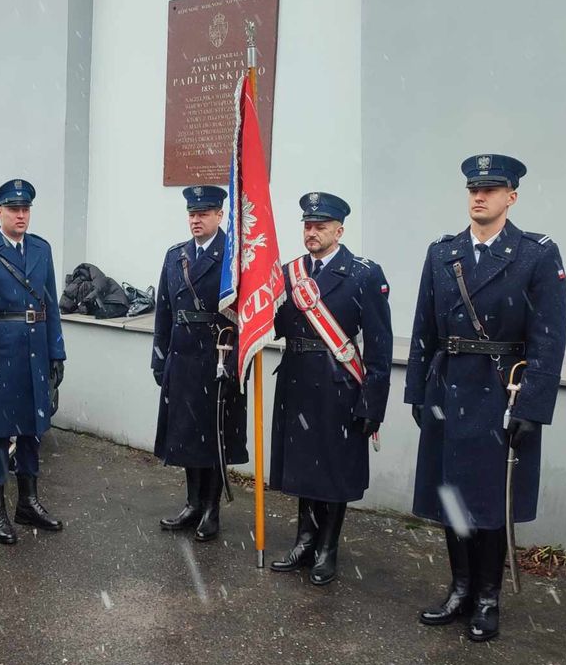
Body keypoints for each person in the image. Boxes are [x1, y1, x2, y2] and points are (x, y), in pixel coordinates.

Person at [405, 154, 566, 642]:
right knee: (452, 496)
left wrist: (533, 408)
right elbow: (423, 328)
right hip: (448, 387)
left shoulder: (535, 254)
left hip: (501, 392)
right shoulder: (443, 253)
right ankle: (458, 588)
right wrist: (417, 392)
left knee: (491, 502)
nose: (480, 196)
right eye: (474, 189)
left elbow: (548, 338)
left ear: (511, 197)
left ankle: (487, 597)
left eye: (492, 189)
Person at [268, 192, 392, 585]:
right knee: (304, 467)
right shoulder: (289, 272)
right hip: (298, 379)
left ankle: (327, 549)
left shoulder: (363, 273)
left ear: (339, 230)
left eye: (321, 226)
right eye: (307, 225)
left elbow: (380, 343)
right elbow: (275, 323)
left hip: (339, 382)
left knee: (333, 469)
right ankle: (304, 541)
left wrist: (374, 401)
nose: (312, 232)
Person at [0, 179, 66, 544]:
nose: (20, 215)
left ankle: (28, 502)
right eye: (13, 209)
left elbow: (50, 304)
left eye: (25, 209)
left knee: (31, 432)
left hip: (35, 352)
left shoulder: (41, 249)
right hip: (0, 352)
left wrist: (57, 352)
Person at [150, 185, 246, 543]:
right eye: (192, 214)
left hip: (218, 359)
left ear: (220, 216)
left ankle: (211, 509)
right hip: (183, 358)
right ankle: (192, 503)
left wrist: (237, 362)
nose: (196, 219)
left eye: (204, 213)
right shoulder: (175, 255)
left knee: (215, 438)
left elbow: (245, 316)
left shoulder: (233, 258)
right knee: (187, 436)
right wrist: (160, 357)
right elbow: (164, 311)